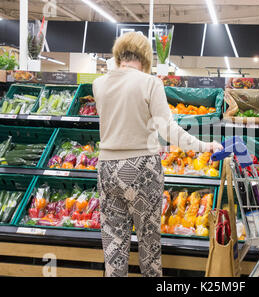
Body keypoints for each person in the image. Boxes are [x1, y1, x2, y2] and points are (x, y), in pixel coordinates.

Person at [93, 32, 223, 277]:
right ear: (144, 56)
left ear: (119, 54)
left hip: (107, 168)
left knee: (113, 246)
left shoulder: (99, 85)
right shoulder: (150, 83)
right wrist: (205, 146)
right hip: (141, 168)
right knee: (148, 244)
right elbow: (169, 131)